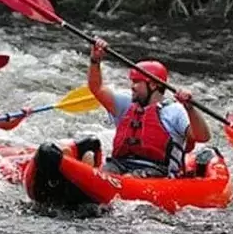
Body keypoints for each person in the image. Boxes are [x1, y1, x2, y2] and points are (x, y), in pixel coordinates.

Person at [87, 38, 211, 178]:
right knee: (105, 173)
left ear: (152, 85)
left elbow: (202, 137)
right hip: (120, 164)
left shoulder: (174, 111)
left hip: (158, 170)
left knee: (129, 178)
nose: (132, 86)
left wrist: (190, 108)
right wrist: (95, 61)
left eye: (137, 82)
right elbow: (96, 88)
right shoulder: (126, 103)